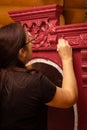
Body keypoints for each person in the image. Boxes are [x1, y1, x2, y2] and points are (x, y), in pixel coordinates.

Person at [0, 23, 78, 130]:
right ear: (22, 52)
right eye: (29, 40)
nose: (32, 43)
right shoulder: (34, 82)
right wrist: (67, 59)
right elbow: (70, 97)